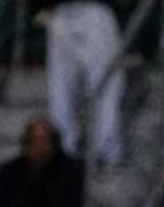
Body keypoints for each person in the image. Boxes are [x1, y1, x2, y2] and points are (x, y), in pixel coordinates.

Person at [37, 0, 126, 166]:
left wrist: (40, 13)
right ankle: (106, 150)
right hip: (89, 12)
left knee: (62, 89)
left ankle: (65, 149)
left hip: (62, 12)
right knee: (104, 85)